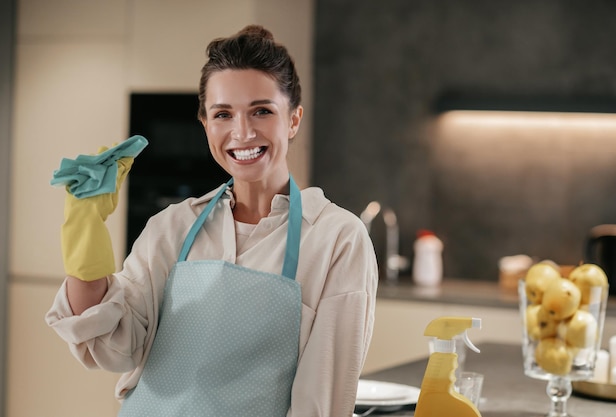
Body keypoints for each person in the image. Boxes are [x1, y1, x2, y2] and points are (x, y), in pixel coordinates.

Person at [46, 25, 378, 417]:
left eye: (262, 111)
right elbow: (113, 346)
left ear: (293, 120)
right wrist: (85, 237)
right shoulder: (172, 227)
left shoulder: (334, 238)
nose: (242, 132)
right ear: (206, 126)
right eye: (223, 114)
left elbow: (321, 401)